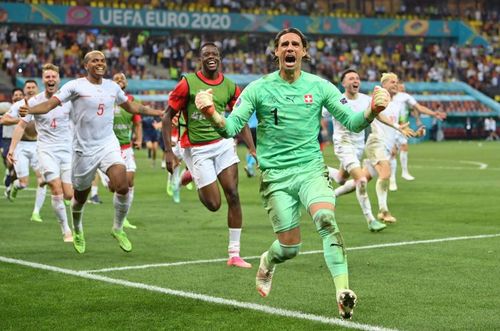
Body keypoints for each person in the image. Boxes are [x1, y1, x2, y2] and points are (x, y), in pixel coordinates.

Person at [194, 28, 390, 319]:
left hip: (311, 169)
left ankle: (342, 292)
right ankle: (268, 260)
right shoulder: (258, 89)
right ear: (276, 52)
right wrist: (211, 113)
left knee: (325, 218)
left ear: (304, 52)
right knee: (290, 247)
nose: (289, 48)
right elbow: (231, 128)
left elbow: (352, 120)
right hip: (276, 176)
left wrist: (372, 109)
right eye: (284, 44)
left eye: (295, 44)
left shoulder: (320, 86)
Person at [19, 50, 164, 254]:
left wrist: (158, 112)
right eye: (95, 60)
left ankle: (118, 228)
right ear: (86, 65)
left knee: (122, 185)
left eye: (102, 61)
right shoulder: (75, 86)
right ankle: (77, 228)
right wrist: (30, 110)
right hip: (83, 150)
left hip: (107, 144)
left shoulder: (112, 87)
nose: (100, 63)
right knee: (80, 196)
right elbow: (50, 104)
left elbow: (131, 106)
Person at [161, 42, 256, 269]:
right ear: (200, 59)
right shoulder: (187, 84)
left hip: (223, 144)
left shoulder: (231, 86)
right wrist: (167, 151)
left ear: (220, 58)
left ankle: (234, 253)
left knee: (233, 194)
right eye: (206, 55)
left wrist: (252, 148)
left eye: (214, 54)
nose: (211, 57)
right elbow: (167, 116)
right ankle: (192, 174)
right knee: (214, 204)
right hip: (196, 149)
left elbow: (239, 118)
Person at [325, 69, 414, 232]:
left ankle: (319, 169)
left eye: (357, 78)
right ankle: (371, 220)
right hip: (343, 144)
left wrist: (397, 127)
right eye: (351, 78)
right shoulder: (336, 100)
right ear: (343, 83)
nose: (355, 80)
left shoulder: (366, 99)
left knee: (340, 178)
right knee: (362, 180)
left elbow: (378, 115)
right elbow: (320, 113)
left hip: (358, 146)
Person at [7, 64, 73, 242]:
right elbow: (20, 125)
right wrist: (11, 150)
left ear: (58, 79)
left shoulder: (68, 100)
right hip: (45, 149)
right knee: (55, 188)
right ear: (43, 80)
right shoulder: (33, 102)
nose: (51, 80)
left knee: (69, 194)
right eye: (47, 77)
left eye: (53, 77)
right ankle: (66, 230)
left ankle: (69, 217)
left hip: (67, 150)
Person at [1, 80, 47, 223]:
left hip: (38, 146)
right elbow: (3, 119)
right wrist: (21, 120)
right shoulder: (18, 105)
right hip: (21, 146)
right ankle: (14, 187)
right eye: (28, 87)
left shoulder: (43, 104)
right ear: (24, 90)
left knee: (42, 180)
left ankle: (36, 212)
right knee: (24, 183)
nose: (31, 89)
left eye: (33, 87)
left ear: (37, 89)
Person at [389, 82, 446, 191]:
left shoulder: (405, 97)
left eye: (403, 87)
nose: (401, 88)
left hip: (403, 127)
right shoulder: (386, 96)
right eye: (400, 86)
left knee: (404, 147)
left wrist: (433, 114)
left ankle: (405, 172)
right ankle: (392, 180)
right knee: (393, 153)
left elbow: (418, 108)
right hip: (390, 127)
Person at [110, 72, 141, 229]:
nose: (120, 80)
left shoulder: (132, 101)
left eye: (122, 78)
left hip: (126, 147)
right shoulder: (107, 99)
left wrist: (139, 139)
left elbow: (137, 123)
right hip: (109, 148)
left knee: (129, 182)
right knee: (114, 186)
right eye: (116, 79)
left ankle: (123, 218)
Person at [1, 88, 24, 194]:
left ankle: (10, 181)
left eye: (20, 94)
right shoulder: (7, 106)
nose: (18, 96)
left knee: (16, 166)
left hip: (21, 140)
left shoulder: (28, 108)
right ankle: (9, 173)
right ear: (12, 97)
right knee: (9, 162)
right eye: (16, 95)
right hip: (7, 138)